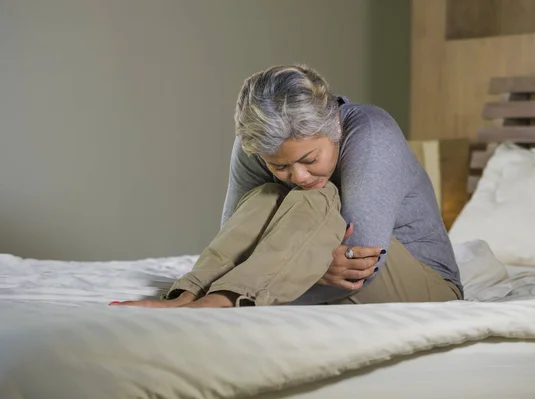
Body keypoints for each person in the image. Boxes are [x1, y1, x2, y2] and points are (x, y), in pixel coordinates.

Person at [112, 64, 462, 309]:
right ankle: (188, 296)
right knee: (267, 195)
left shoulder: (372, 133)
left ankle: (225, 302)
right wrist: (206, 281)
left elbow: (359, 268)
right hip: (317, 271)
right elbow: (236, 237)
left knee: (317, 196)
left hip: (424, 281)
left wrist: (285, 268)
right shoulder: (259, 145)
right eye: (279, 165)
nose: (298, 175)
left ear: (334, 129)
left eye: (310, 159)